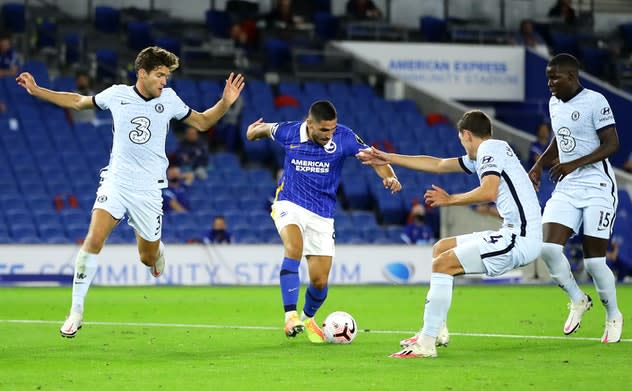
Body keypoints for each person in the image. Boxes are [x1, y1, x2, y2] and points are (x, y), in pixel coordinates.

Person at [16, 46, 245, 338]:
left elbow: (202, 122)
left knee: (147, 258)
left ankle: (157, 251)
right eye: (160, 75)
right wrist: (38, 91)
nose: (165, 81)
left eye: (167, 76)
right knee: (94, 239)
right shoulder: (117, 95)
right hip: (117, 182)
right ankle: (76, 311)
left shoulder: (170, 100)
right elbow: (77, 101)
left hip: (149, 190)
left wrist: (225, 102)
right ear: (142, 74)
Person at [357, 110, 542, 358]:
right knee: (441, 249)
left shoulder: (489, 150)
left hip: (519, 239)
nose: (462, 145)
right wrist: (388, 157)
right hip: (514, 233)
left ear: (466, 135)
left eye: (461, 140)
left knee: (444, 264)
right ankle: (437, 329)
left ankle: (426, 343)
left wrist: (450, 199)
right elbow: (438, 164)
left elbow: (488, 192)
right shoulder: (491, 151)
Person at [246, 100, 401, 343]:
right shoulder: (289, 131)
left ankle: (308, 318)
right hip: (289, 204)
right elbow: (262, 130)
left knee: (319, 282)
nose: (329, 135)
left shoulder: (344, 137)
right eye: (324, 130)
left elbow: (372, 157)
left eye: (332, 129)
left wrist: (390, 177)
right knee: (293, 248)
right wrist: (252, 131)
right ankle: (290, 316)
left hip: (322, 215)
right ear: (310, 124)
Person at [529, 53, 623, 343]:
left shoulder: (596, 101)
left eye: (555, 77)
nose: (550, 83)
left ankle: (613, 315)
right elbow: (560, 137)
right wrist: (540, 163)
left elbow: (613, 144)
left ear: (571, 76)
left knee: (595, 263)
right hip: (568, 187)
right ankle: (578, 298)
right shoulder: (555, 103)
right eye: (547, 77)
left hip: (598, 186)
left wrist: (574, 163)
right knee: (546, 248)